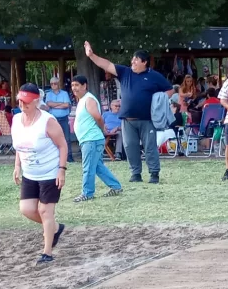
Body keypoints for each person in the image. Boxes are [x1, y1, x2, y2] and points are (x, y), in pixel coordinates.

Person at [84, 41, 173, 184]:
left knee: (150, 147)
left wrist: (160, 101)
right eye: (132, 59)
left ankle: (154, 174)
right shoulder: (125, 72)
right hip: (127, 120)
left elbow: (170, 90)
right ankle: (135, 174)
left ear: (144, 62)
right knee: (130, 147)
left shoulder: (154, 76)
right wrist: (91, 55)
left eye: (136, 60)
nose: (132, 62)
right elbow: (106, 65)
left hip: (147, 119)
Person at [11, 83, 68, 264]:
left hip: (49, 172)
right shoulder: (16, 120)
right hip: (30, 173)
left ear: (36, 101)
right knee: (27, 210)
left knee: (45, 211)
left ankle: (47, 252)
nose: (23, 105)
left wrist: (61, 170)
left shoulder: (48, 121)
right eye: (20, 101)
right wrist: (17, 166)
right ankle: (55, 228)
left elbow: (63, 145)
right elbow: (20, 145)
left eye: (27, 102)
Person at [71, 75, 123, 202]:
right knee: (97, 166)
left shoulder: (89, 100)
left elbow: (98, 117)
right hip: (88, 139)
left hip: (91, 139)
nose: (74, 88)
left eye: (77, 85)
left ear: (84, 86)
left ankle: (87, 193)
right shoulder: (82, 100)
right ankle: (116, 186)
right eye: (73, 85)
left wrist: (103, 129)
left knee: (88, 167)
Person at [45, 76, 75, 163]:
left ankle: (69, 156)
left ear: (58, 84)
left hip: (64, 118)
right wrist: (60, 104)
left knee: (67, 138)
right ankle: (54, 156)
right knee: (52, 138)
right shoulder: (48, 94)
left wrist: (54, 105)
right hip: (53, 119)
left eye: (55, 83)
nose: (53, 85)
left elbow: (67, 105)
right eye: (51, 84)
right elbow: (48, 104)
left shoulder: (64, 93)